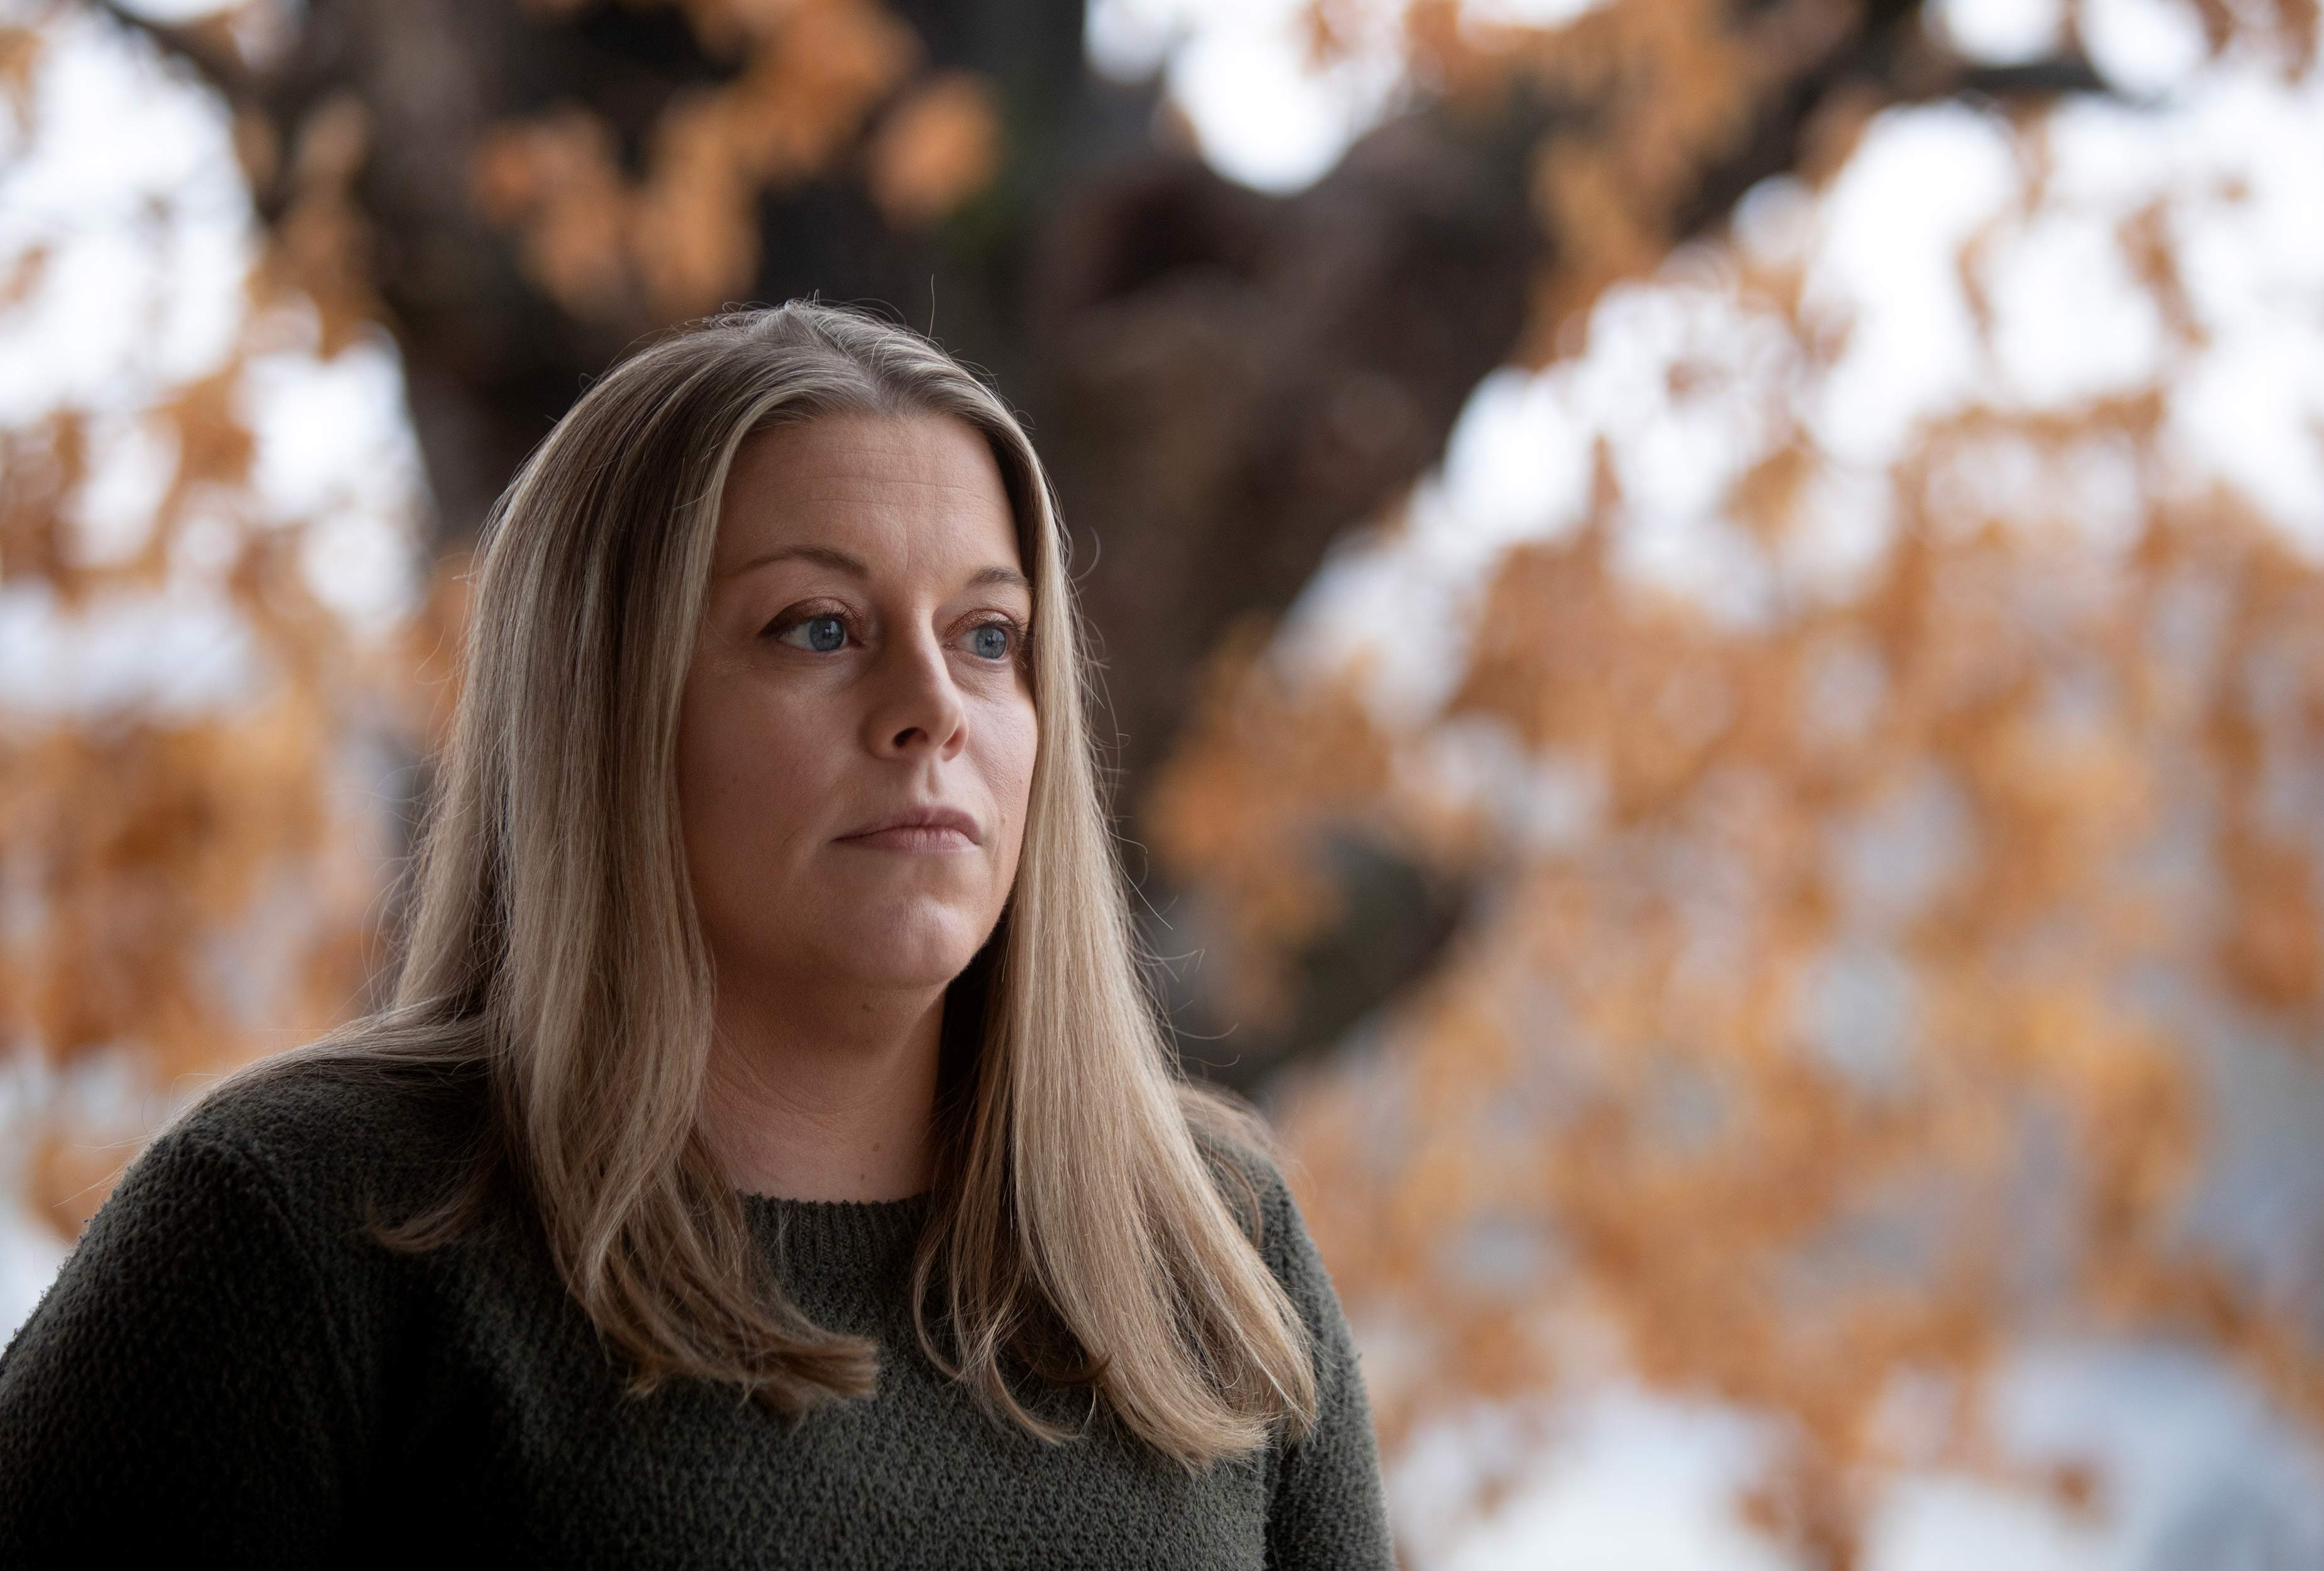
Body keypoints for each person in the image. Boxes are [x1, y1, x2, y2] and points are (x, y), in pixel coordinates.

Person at [0, 301, 1396, 1568]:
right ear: (607, 707)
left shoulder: (1219, 1247)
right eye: (818, 627)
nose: (933, 708)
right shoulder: (300, 1227)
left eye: (986, 635)